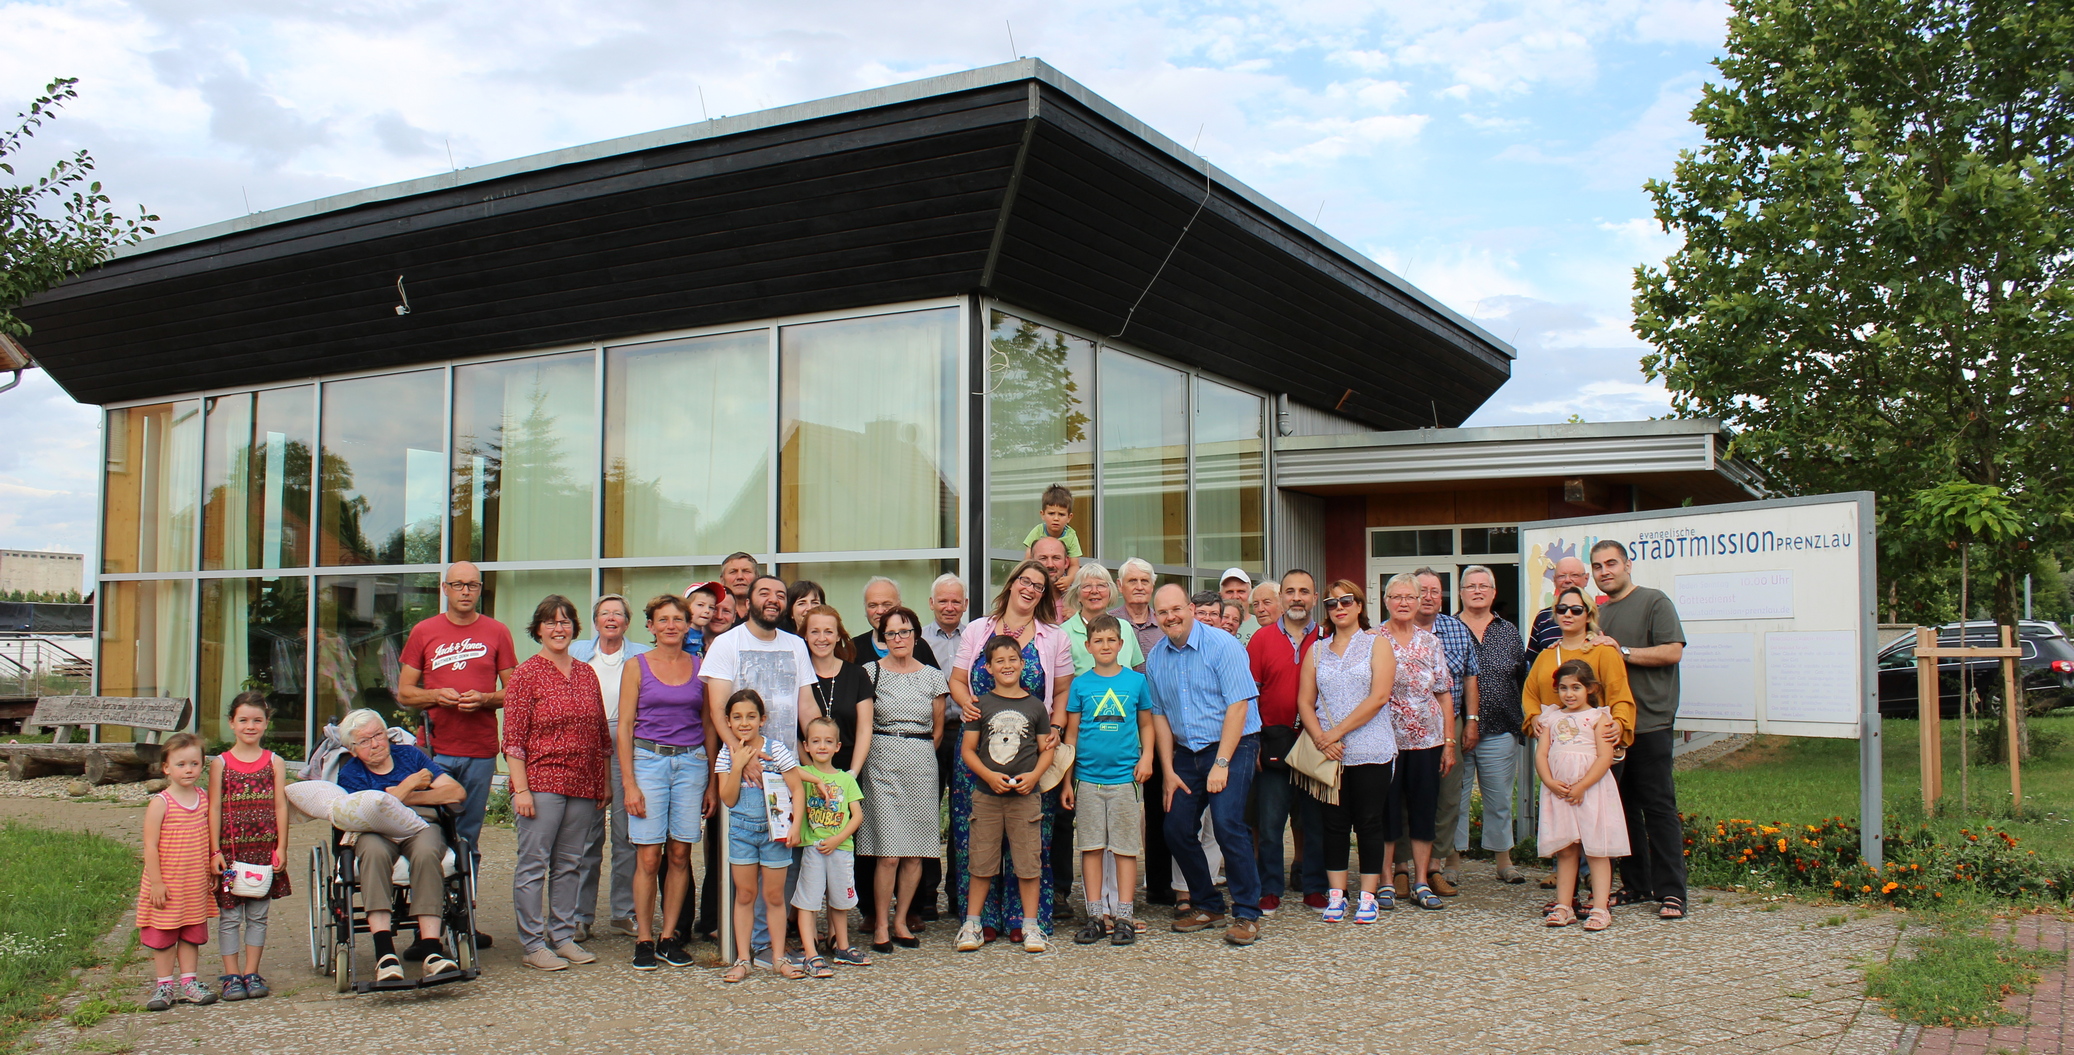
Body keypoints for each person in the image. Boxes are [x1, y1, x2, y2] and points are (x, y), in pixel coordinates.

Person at [947, 559, 1072, 942]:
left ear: (1044, 595)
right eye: (1025, 581)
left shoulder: (1055, 637)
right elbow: (956, 680)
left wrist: (1056, 728)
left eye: (1039, 585)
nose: (1030, 589)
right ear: (1012, 583)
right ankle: (979, 919)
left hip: (1031, 753)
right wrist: (967, 704)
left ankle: (1024, 920)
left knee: (1028, 836)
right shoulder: (977, 629)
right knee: (978, 837)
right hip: (977, 751)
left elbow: (1063, 690)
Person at [700, 574, 819, 963]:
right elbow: (718, 708)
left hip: (783, 767)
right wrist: (742, 755)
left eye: (780, 595)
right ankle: (749, 947)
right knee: (746, 863)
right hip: (745, 769)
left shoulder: (795, 645)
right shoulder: (727, 643)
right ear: (748, 601)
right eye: (764, 592)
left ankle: (771, 945)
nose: (773, 599)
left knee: (781, 857)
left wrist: (818, 756)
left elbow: (805, 706)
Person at [1145, 582, 1265, 946]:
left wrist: (1222, 762)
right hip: (1187, 751)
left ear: (1190, 609)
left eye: (1176, 609)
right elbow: (1160, 715)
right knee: (1175, 828)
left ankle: (1247, 912)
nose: (1171, 617)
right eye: (1163, 612)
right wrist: (1168, 771)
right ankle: (1209, 904)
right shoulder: (1157, 658)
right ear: (1157, 617)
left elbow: (1239, 705)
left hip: (1234, 744)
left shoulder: (1222, 645)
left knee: (1228, 824)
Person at [503, 595, 612, 971]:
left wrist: (604, 783)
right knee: (534, 864)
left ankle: (563, 936)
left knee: (570, 864)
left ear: (574, 628)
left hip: (582, 784)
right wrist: (521, 790)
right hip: (540, 783)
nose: (558, 628)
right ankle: (533, 944)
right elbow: (513, 739)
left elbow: (601, 734)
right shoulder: (526, 674)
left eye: (565, 622)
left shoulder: (586, 673)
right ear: (538, 629)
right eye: (550, 622)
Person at [397, 560, 516, 894]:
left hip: (479, 749)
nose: (465, 591)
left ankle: (465, 910)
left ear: (480, 590)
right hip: (433, 751)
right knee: (428, 830)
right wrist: (436, 695)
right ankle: (428, 908)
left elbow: (514, 692)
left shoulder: (497, 631)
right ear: (445, 589)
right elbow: (404, 692)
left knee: (467, 834)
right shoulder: (424, 631)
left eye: (472, 585)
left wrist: (485, 699)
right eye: (458, 585)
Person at [1589, 540, 1689, 921]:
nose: (1604, 572)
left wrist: (1623, 652)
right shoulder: (1598, 613)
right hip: (1613, 728)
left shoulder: (1653, 601)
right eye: (1597, 566)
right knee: (1623, 810)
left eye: (1611, 563)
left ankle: (1672, 892)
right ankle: (1635, 884)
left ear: (1628, 565)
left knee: (1658, 808)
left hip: (1650, 723)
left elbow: (1673, 651)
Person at [334, 708, 466, 984]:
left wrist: (407, 796)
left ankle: (431, 951)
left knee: (427, 852)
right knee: (372, 853)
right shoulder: (351, 773)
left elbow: (456, 791)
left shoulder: (411, 756)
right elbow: (366, 812)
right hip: (375, 829)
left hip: (421, 823)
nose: (375, 744)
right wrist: (411, 783)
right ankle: (385, 955)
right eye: (365, 741)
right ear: (352, 749)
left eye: (378, 735)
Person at [618, 594, 712, 971]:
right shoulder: (636, 666)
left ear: (688, 625)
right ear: (651, 626)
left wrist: (711, 782)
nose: (671, 625)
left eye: (677, 619)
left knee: (680, 854)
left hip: (691, 764)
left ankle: (669, 936)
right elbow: (624, 726)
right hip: (648, 762)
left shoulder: (700, 666)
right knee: (648, 855)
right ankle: (643, 937)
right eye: (663, 619)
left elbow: (708, 724)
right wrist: (629, 783)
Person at [1298, 580, 1398, 923]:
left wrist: (1335, 733)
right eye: (1331, 602)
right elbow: (1305, 701)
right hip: (1330, 753)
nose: (1338, 607)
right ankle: (1337, 894)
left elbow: (1379, 696)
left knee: (1369, 822)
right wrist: (1321, 739)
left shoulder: (1377, 644)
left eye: (1346, 601)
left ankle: (1368, 895)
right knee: (1334, 824)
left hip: (1371, 748)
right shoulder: (1316, 650)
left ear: (1359, 605)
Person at [955, 635, 1057, 955]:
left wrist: (1034, 776)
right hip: (987, 795)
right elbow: (968, 750)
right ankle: (972, 923)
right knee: (981, 861)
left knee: (1028, 863)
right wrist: (988, 776)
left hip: (1025, 797)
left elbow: (1046, 750)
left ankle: (1031, 925)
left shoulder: (1035, 706)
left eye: (1013, 659)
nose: (1007, 665)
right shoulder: (980, 705)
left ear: (1023, 664)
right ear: (988, 667)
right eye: (999, 661)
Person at [856, 606, 948, 952]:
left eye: (905, 632)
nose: (898, 639)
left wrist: (916, 751)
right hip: (881, 763)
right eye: (891, 633)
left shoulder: (932, 677)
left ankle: (901, 920)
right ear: (883, 637)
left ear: (915, 636)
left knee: (915, 853)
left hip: (921, 765)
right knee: (888, 853)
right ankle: (880, 923)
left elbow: (938, 729)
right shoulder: (870, 672)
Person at [1063, 615, 1152, 946]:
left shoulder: (1136, 682)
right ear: (1087, 646)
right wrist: (1066, 781)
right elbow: (1071, 734)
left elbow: (1146, 724)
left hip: (1125, 778)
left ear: (1121, 644)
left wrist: (1147, 756)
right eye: (1098, 641)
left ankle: (1124, 916)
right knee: (1091, 848)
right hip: (1087, 780)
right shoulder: (1080, 685)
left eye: (1111, 640)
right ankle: (1095, 916)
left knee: (1125, 848)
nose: (1105, 646)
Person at [569, 595, 651, 940]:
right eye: (605, 613)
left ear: (627, 623)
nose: (611, 618)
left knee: (626, 833)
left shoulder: (641, 655)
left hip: (626, 739)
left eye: (618, 613)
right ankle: (579, 916)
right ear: (596, 621)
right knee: (585, 835)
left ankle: (623, 912)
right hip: (585, 740)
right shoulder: (576, 652)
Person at [1392, 566, 1478, 896]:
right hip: (1392, 733)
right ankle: (1400, 868)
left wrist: (1465, 726)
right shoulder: (1379, 636)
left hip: (1441, 727)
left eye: (1432, 591)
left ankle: (1432, 867)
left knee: (1441, 799)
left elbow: (1466, 680)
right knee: (1398, 801)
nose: (1426, 597)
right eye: (1419, 591)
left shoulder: (1451, 632)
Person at [1246, 569, 1328, 913]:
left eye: (1304, 592)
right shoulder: (1261, 639)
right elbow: (1250, 695)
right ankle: (1269, 888)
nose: (1297, 598)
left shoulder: (1327, 637)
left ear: (1314, 598)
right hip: (1272, 741)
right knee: (1270, 823)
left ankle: (1315, 886)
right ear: (1281, 598)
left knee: (1314, 821)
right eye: (1290, 591)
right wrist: (1253, 744)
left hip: (1317, 742)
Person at [1373, 573, 1456, 913]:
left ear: (1420, 601)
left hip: (1427, 740)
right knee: (1386, 811)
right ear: (1386, 601)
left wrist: (1449, 742)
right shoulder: (1372, 639)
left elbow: (1444, 694)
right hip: (1384, 741)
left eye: (1410, 596)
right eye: (1397, 596)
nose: (1403, 603)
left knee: (1424, 809)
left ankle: (1421, 880)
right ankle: (1386, 880)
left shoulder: (1430, 642)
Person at [713, 690, 808, 982]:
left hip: (774, 833)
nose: (744, 723)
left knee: (774, 896)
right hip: (741, 833)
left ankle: (778, 957)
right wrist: (738, 764)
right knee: (744, 894)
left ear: (762, 720)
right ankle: (744, 959)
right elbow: (728, 798)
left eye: (751, 716)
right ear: (728, 722)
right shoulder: (726, 754)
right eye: (737, 717)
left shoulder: (776, 750)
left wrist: (796, 826)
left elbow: (797, 789)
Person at [1537, 660, 1630, 932]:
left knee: (1597, 849)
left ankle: (1600, 908)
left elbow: (1605, 757)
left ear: (1590, 688)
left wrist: (1582, 786)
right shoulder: (1551, 718)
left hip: (1591, 791)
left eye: (1576, 687)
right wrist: (1550, 781)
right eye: (1563, 688)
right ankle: (1564, 905)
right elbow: (1541, 754)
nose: (1569, 694)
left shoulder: (1600, 718)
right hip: (1560, 792)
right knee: (1567, 848)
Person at [209, 692, 289, 1002]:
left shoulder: (274, 762)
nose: (250, 726)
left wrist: (281, 847)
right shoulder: (220, 764)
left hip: (262, 854)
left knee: (258, 915)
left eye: (257, 720)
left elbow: (280, 806)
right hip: (230, 856)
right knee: (230, 916)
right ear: (232, 723)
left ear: (266, 723)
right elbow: (214, 808)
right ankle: (231, 975)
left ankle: (251, 972)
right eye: (243, 720)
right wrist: (215, 851)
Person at [1457, 565, 1529, 883]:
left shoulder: (1509, 631)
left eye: (1483, 586)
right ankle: (1452, 863)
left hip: (1500, 728)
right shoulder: (1448, 628)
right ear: (1461, 592)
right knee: (1455, 799)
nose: (1477, 591)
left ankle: (1503, 861)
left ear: (1493, 592)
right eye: (1471, 586)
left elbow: (1520, 676)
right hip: (1458, 728)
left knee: (1499, 799)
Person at [140, 732, 220, 1011]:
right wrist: (157, 883)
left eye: (194, 764)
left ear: (202, 765)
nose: (188, 770)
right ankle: (164, 985)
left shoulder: (204, 798)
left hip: (194, 882)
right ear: (166, 768)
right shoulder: (160, 803)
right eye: (181, 764)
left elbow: (209, 837)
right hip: (167, 884)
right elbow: (150, 846)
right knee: (164, 934)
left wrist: (212, 868)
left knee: (190, 932)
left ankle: (189, 982)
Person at [1109, 557, 1171, 902]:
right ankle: (1115, 892)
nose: (1138, 586)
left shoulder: (1165, 622)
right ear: (1120, 586)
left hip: (1158, 725)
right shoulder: (1109, 623)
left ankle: (1159, 885)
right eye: (1132, 581)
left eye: (1144, 581)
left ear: (1152, 586)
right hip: (1116, 729)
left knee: (1159, 806)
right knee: (1118, 807)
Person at [793, 716, 870, 975]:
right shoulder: (807, 775)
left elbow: (857, 816)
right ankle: (811, 953)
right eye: (815, 741)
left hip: (841, 849)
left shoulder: (846, 779)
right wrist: (815, 781)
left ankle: (843, 947)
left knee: (840, 900)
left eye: (828, 741)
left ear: (838, 746)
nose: (822, 746)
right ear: (806, 746)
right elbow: (788, 770)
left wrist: (838, 839)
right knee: (808, 901)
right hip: (814, 849)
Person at [916, 573, 967, 920]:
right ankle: (925, 896)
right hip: (928, 736)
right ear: (932, 603)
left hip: (965, 733)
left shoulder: (975, 637)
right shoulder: (918, 640)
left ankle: (959, 893)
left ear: (965, 605)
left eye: (955, 601)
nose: (949, 607)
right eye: (943, 600)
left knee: (963, 816)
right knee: (925, 816)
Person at [801, 606, 873, 773]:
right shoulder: (798, 676)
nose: (821, 638)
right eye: (814, 632)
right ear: (805, 635)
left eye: (828, 631)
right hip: (807, 771)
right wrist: (814, 773)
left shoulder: (857, 675)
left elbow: (864, 729)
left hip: (849, 769)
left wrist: (852, 773)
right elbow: (793, 731)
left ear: (838, 635)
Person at [1062, 564, 1143, 675]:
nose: (1094, 591)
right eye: (1087, 586)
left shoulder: (1125, 627)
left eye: (1101, 585)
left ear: (1110, 592)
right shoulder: (1064, 633)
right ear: (1077, 595)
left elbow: (1134, 671)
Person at [856, 576, 942, 667]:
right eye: (873, 605)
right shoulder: (854, 648)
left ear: (899, 606)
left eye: (887, 604)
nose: (880, 611)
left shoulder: (919, 646)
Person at [1527, 556, 1592, 663]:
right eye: (1561, 576)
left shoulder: (1600, 614)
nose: (1567, 580)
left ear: (1586, 579)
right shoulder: (1543, 617)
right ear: (1554, 581)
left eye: (1574, 575)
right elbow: (1531, 662)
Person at [1021, 482, 1083, 558]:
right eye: (1051, 513)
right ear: (1042, 514)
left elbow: (1074, 563)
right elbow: (1028, 559)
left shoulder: (1071, 536)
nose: (1056, 518)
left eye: (1061, 514)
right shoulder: (1038, 531)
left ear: (1069, 517)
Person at [1029, 534, 1075, 605]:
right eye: (1043, 558)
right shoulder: (1021, 598)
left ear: (1066, 562)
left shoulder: (1079, 600)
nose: (1050, 565)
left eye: (1056, 558)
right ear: (1032, 562)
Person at [718, 551, 760, 623]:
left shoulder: (766, 611)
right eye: (733, 572)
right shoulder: (714, 613)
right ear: (722, 580)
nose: (740, 577)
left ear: (757, 578)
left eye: (746, 571)